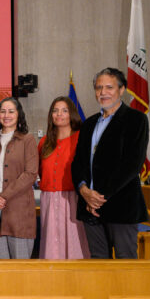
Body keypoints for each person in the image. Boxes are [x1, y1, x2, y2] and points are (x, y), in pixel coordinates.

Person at [71, 68, 149, 259]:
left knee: (126, 261)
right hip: (90, 209)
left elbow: (132, 165)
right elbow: (77, 163)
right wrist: (84, 191)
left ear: (121, 90)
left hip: (120, 207)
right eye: (98, 88)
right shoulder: (88, 124)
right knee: (98, 265)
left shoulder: (136, 120)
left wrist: (98, 197)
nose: (103, 92)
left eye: (109, 87)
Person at [0, 98, 38, 259]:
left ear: (19, 115)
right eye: (3, 111)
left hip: (19, 212)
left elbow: (30, 173)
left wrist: (3, 196)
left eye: (11, 111)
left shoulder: (27, 140)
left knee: (20, 270)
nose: (6, 115)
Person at [38, 96, 89, 259]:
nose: (59, 114)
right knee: (51, 246)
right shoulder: (44, 142)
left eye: (64, 110)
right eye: (55, 110)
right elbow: (40, 170)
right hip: (49, 199)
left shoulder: (81, 138)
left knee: (75, 244)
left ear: (71, 114)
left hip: (73, 198)